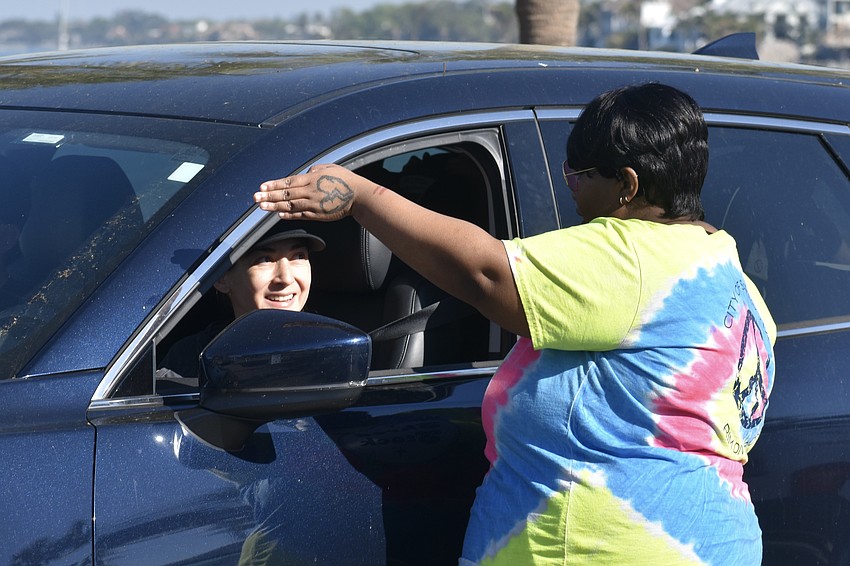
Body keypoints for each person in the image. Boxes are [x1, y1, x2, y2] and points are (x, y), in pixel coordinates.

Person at [254, 83, 776, 565]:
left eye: (578, 174)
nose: (570, 189)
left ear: (627, 185)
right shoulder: (733, 281)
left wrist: (362, 197)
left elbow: (485, 274)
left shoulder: (633, 258)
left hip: (608, 550)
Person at [158, 224, 325, 377]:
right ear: (221, 279)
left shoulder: (329, 349)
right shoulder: (189, 359)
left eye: (298, 256)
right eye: (265, 260)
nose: (286, 278)